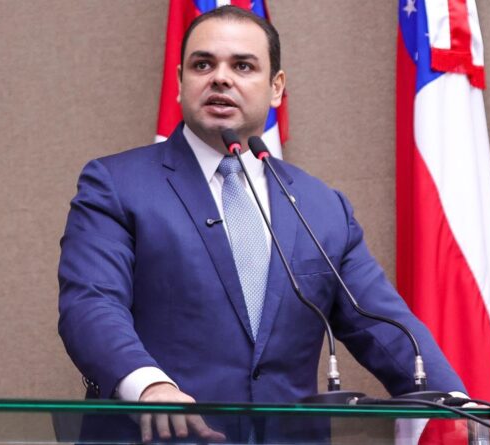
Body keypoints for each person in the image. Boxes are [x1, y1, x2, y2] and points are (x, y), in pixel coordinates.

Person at [58, 5, 465, 443]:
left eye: (243, 66)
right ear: (179, 82)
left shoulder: (322, 206)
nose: (220, 78)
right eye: (203, 64)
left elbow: (382, 324)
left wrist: (457, 402)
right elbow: (91, 304)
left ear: (276, 88)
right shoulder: (117, 185)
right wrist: (148, 385)